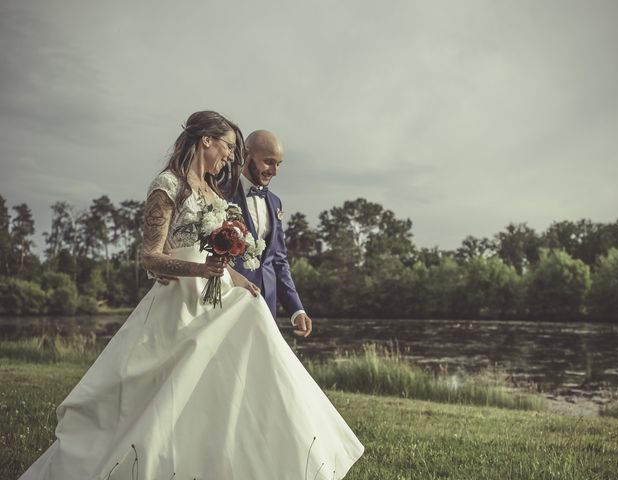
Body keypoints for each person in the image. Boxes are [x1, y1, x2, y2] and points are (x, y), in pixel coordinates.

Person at [18, 111, 364, 480]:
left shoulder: (214, 192)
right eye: (228, 148)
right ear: (206, 141)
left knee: (249, 326)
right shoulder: (168, 185)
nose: (231, 157)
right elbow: (151, 256)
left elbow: (214, 255)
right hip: (177, 300)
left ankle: (283, 451)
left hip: (214, 291)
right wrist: (201, 271)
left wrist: (239, 279)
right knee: (163, 390)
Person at [231, 130, 312, 336]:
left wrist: (296, 309)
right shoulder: (220, 194)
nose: (274, 171)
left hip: (267, 307)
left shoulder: (275, 202)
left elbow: (278, 260)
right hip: (229, 301)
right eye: (268, 162)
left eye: (279, 164)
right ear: (246, 155)